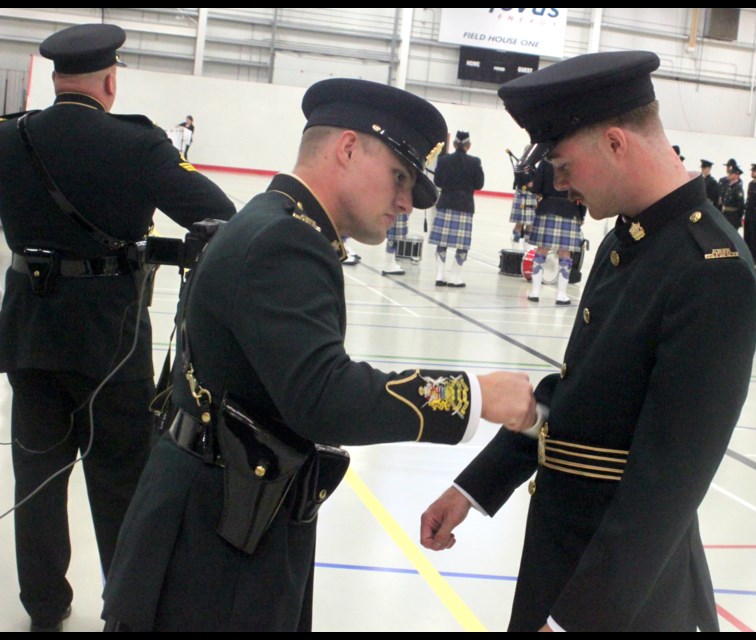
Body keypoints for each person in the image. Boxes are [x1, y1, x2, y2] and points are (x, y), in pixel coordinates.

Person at [100, 77, 537, 632]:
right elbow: (324, 397)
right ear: (348, 148)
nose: (406, 202)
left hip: (230, 507)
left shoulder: (276, 222)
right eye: (400, 178)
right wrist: (473, 395)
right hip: (214, 539)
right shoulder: (286, 240)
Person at [420, 51, 756, 632]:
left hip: (620, 593)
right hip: (565, 555)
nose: (557, 182)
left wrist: (581, 617)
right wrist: (476, 486)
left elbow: (668, 481)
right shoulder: (628, 238)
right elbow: (583, 396)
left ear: (616, 143)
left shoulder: (710, 268)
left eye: (561, 162)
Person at [0, 24, 236, 633]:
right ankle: (127, 611)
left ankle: (44, 608)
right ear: (110, 81)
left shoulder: (8, 139)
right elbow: (218, 213)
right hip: (111, 340)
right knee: (121, 480)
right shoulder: (136, 143)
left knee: (37, 479)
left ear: (56, 80)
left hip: (29, 337)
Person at [526, 160, 586, 305]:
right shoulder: (576, 162)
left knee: (541, 251)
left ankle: (535, 292)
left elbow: (536, 188)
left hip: (547, 208)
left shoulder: (545, 162)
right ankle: (561, 295)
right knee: (565, 253)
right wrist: (581, 214)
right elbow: (582, 192)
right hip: (569, 209)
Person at [429, 130, 484, 287]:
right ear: (469, 145)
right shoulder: (475, 162)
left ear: (454, 144)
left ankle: (440, 275)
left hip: (446, 202)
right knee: (462, 245)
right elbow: (480, 184)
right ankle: (455, 277)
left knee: (442, 242)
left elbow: (438, 182)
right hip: (465, 205)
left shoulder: (444, 160)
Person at [509, 157, 537, 249]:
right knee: (519, 223)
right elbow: (530, 184)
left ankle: (527, 245)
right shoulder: (521, 166)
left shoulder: (532, 167)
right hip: (523, 195)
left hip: (532, 196)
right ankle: (515, 245)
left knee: (530, 223)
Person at [720, 164, 745, 230]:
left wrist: (738, 218)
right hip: (725, 215)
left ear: (737, 175)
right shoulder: (727, 187)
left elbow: (741, 206)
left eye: (731, 173)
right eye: (729, 173)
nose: (729, 174)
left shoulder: (738, 188)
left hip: (733, 218)